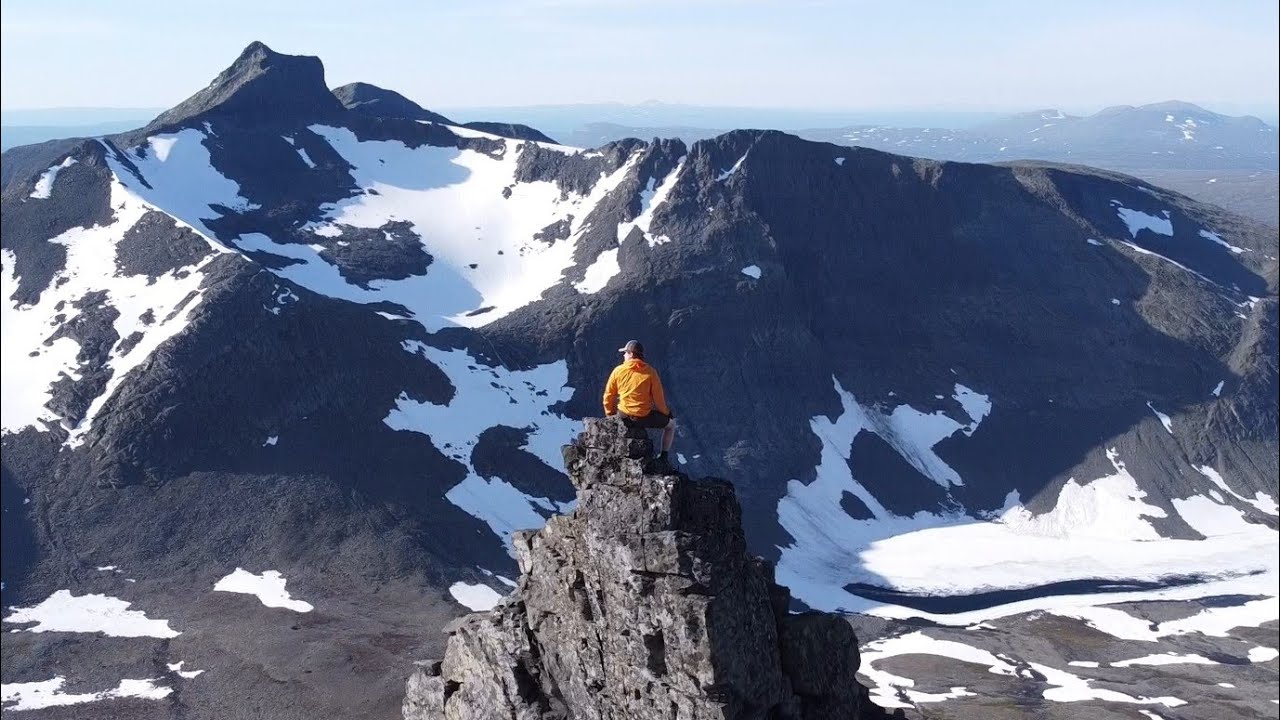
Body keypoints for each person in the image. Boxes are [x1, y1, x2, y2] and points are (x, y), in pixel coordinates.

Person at [602, 340, 676, 466]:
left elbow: (608, 396)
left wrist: (610, 415)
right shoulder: (651, 372)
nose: (623, 355)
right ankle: (663, 456)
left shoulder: (618, 371)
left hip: (623, 415)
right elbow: (659, 400)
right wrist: (667, 413)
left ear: (631, 354)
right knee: (671, 426)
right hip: (643, 417)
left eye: (625, 353)